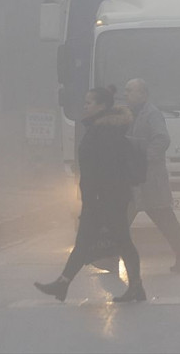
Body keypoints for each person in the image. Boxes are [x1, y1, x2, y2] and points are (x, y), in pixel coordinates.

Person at [34, 86, 146, 303]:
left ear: (101, 106)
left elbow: (105, 170)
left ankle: (135, 287)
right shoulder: (99, 128)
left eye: (89, 103)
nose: (85, 106)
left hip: (106, 199)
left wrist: (95, 199)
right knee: (87, 241)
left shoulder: (104, 132)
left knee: (121, 241)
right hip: (102, 198)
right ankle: (63, 283)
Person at [123, 78, 180, 273]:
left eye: (130, 90)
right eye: (126, 91)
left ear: (143, 94)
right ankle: (109, 258)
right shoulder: (131, 113)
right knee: (121, 218)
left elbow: (162, 139)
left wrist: (141, 158)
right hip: (136, 179)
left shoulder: (152, 114)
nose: (125, 94)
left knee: (165, 220)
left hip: (150, 179)